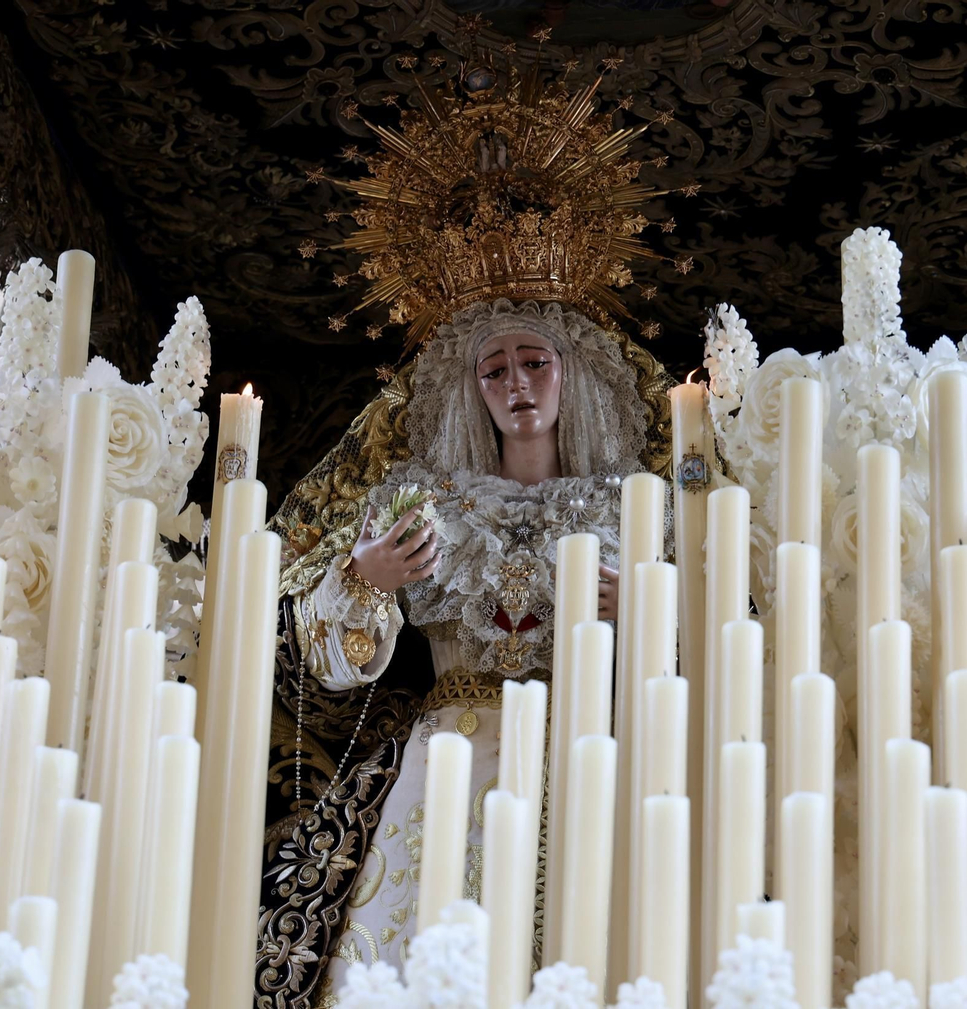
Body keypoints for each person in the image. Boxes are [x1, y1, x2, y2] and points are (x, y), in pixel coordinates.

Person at [252, 56, 684, 1005]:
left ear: (570, 374)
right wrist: (363, 579)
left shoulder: (631, 508)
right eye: (495, 369)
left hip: (592, 753)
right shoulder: (422, 502)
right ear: (472, 388)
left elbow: (714, 651)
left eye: (535, 360)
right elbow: (329, 659)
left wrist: (653, 613)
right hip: (450, 752)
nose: (517, 383)